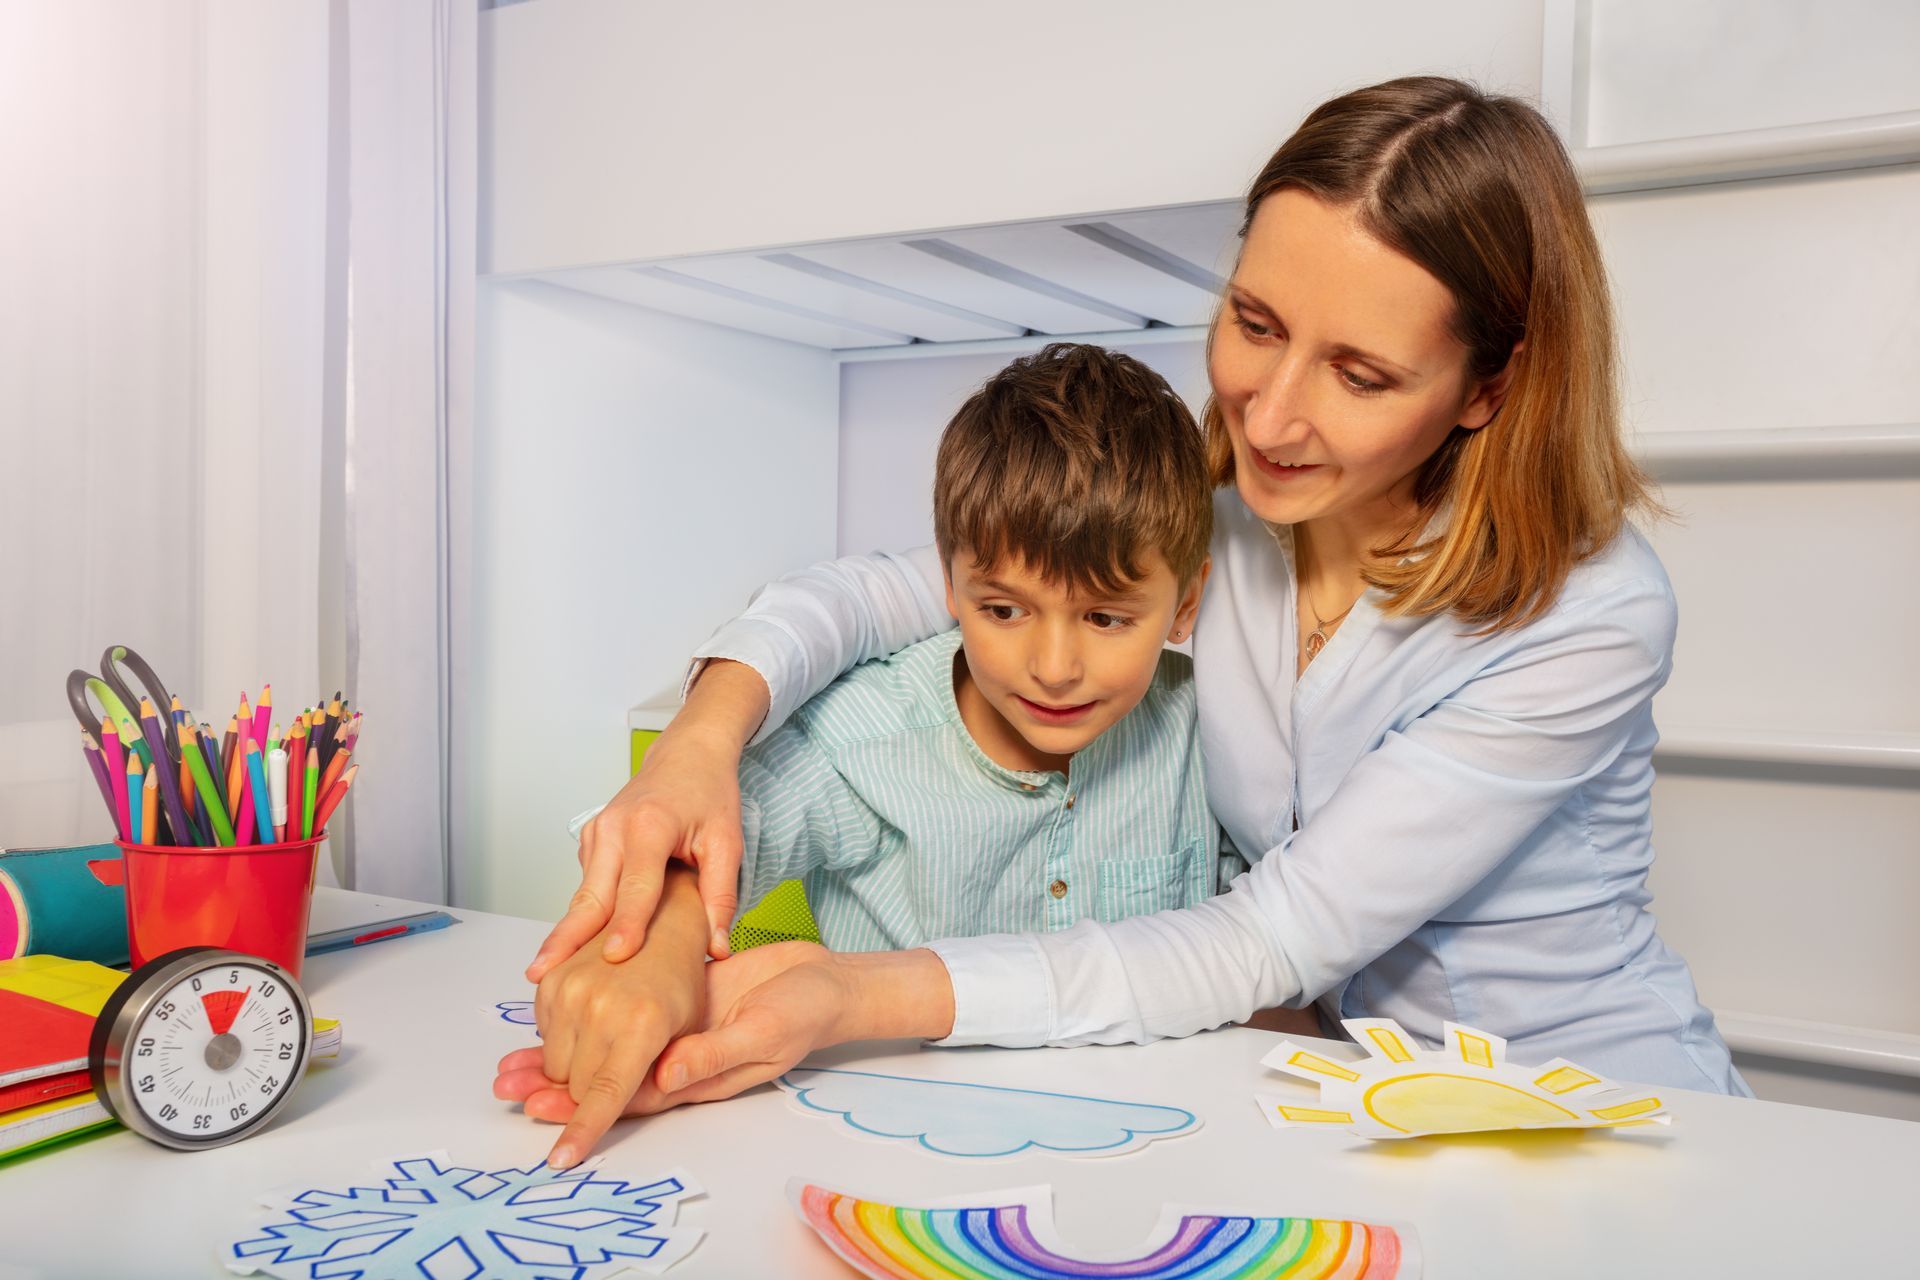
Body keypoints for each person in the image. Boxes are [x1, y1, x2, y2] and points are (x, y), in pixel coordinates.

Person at [501, 75, 1751, 1170]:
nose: (1268, 416)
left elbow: (1268, 935)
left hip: (1592, 1102)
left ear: (1489, 386)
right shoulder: (1223, 521)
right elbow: (887, 588)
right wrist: (701, 745)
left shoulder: (1591, 614)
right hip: (1345, 1103)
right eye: (1255, 325)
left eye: (1359, 374)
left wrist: (849, 993)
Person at [507, 343, 1238, 1163]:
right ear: (950, 587)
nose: (1055, 667)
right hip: (880, 1151)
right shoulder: (868, 733)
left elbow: (1262, 946)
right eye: (1003, 610)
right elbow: (701, 831)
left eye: (1105, 619)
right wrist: (665, 948)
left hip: (1154, 1151)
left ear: (1186, 605)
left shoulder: (1209, 733)